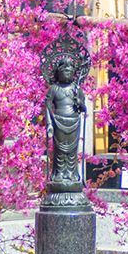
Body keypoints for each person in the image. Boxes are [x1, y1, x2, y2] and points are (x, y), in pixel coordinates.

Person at [45, 56, 86, 187]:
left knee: (72, 151)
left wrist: (79, 102)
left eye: (70, 72)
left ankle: (72, 174)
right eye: (64, 72)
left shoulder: (76, 89)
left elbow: (84, 108)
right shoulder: (54, 88)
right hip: (58, 122)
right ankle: (59, 174)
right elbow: (47, 106)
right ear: (58, 73)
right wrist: (49, 124)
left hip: (74, 122)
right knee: (60, 150)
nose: (67, 75)